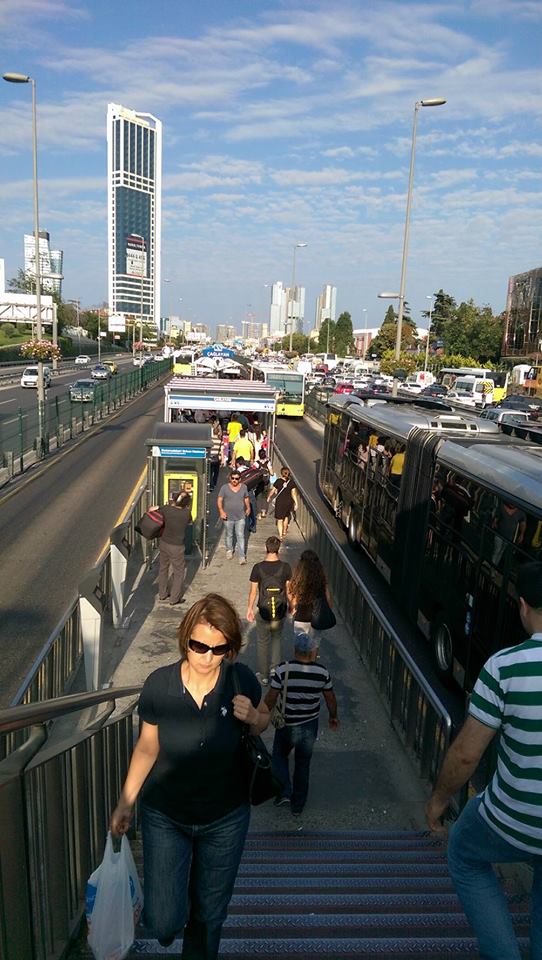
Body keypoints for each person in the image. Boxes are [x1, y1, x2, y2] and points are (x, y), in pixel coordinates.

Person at [110, 594, 269, 959]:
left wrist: (253, 719)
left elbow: (263, 722)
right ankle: (171, 919)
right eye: (199, 646)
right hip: (166, 816)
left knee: (209, 916)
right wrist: (125, 802)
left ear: (230, 648)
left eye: (218, 649)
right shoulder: (159, 686)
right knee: (163, 922)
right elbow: (147, 748)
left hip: (225, 818)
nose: (207, 657)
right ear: (186, 640)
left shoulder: (240, 679)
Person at [425, 561, 542, 960]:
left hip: (513, 819)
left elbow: (466, 755)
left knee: (463, 852)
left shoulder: (505, 667)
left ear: (524, 607)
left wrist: (438, 803)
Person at [265, 631, 339, 815]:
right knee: (302, 764)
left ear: (295, 649)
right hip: (309, 726)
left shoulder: (283, 670)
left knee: (279, 757)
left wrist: (262, 715)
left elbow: (271, 697)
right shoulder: (322, 673)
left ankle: (284, 791)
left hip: (287, 725)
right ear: (312, 650)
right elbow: (330, 698)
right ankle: (298, 806)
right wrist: (333, 716)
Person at [246, 535, 291, 685]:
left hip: (264, 610)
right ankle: (275, 670)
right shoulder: (285, 567)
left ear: (266, 548)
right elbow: (289, 590)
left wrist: (249, 609)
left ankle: (264, 676)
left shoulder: (258, 568)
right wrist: (291, 606)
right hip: (279, 610)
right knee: (277, 639)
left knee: (262, 641)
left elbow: (253, 591)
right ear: (278, 549)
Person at [287, 549, 333, 644]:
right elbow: (328, 600)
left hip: (302, 617)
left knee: (300, 648)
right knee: (314, 646)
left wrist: (291, 609)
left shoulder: (298, 580)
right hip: (317, 618)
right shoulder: (322, 581)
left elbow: (294, 600)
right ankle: (312, 659)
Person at [157, 492, 192, 606]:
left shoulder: (166, 509)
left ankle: (162, 594)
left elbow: (152, 509)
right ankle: (174, 598)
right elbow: (190, 521)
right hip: (177, 546)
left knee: (163, 568)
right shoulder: (186, 513)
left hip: (164, 542)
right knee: (178, 572)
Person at [217, 469, 251, 565]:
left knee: (240, 536)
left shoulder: (244, 487)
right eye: (233, 478)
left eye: (236, 478)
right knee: (229, 534)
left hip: (240, 516)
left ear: (240, 479)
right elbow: (219, 500)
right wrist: (221, 511)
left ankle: (241, 556)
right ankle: (229, 550)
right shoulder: (224, 488)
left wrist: (248, 508)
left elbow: (246, 498)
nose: (234, 480)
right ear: (230, 479)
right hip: (228, 516)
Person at [267, 466, 298, 540]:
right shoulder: (291, 482)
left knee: (280, 519)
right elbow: (294, 493)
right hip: (288, 502)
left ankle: (281, 535)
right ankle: (284, 531)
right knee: (286, 516)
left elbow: (273, 490)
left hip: (280, 502)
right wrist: (296, 503)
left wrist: (269, 497)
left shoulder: (278, 481)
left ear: (281, 473)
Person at [209, 418, 222, 491]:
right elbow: (221, 451)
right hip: (217, 458)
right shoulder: (219, 440)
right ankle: (214, 483)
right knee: (216, 472)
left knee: (210, 472)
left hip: (210, 458)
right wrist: (222, 459)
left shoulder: (210, 440)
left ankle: (210, 485)